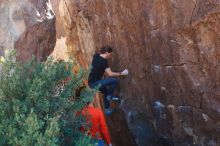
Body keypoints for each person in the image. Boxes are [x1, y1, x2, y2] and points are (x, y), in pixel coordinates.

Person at [88, 46, 128, 115]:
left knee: (106, 92)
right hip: (95, 84)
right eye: (110, 54)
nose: (110, 56)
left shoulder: (96, 56)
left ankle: (107, 109)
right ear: (106, 53)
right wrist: (122, 73)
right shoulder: (104, 62)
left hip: (91, 83)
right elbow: (110, 74)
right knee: (113, 80)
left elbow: (98, 60)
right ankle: (111, 96)